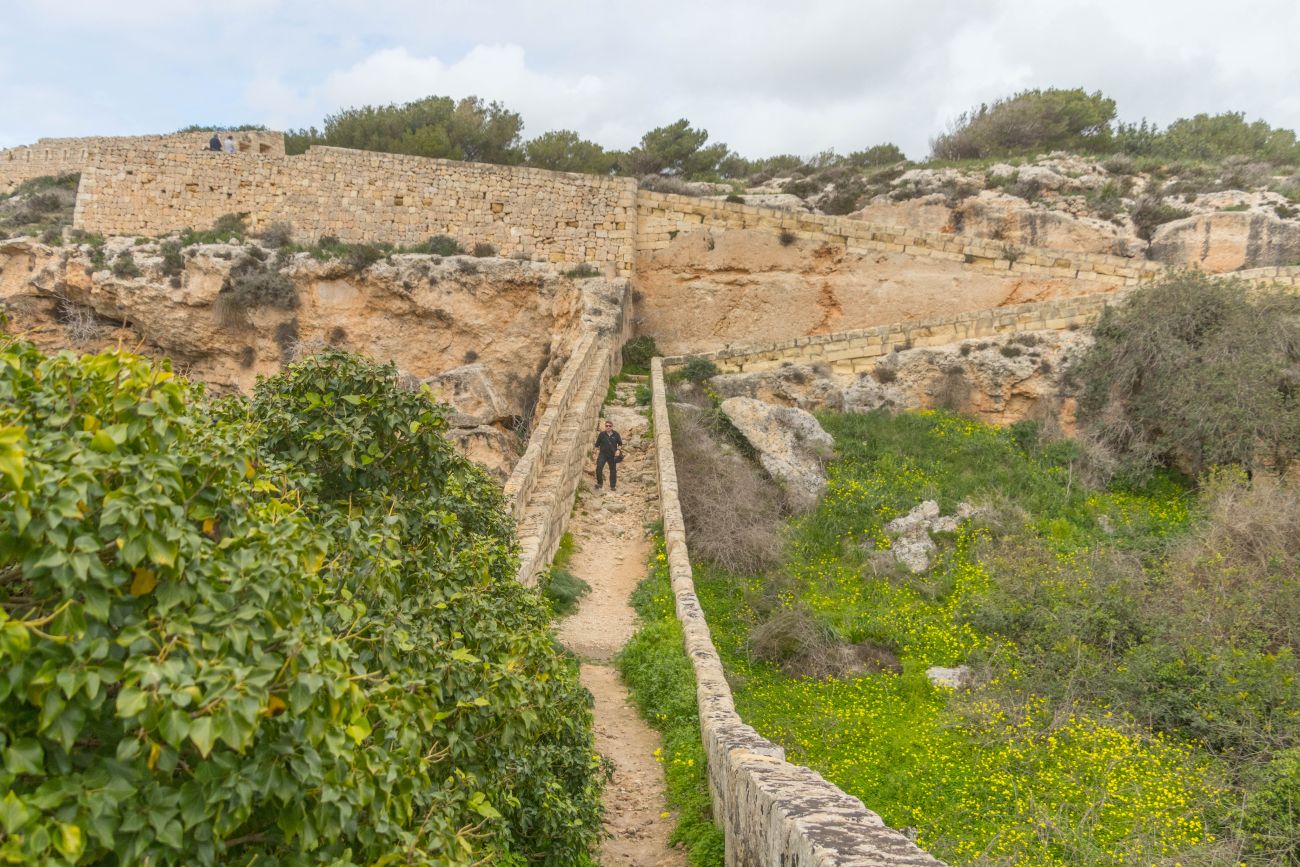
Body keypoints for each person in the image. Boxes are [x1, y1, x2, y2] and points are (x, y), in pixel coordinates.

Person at [593, 420, 623, 491]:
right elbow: (597, 445)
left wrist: (618, 450)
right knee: (599, 467)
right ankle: (600, 483)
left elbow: (620, 444)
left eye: (610, 426)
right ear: (605, 426)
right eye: (606, 426)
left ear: (612, 427)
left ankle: (613, 486)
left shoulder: (616, 434)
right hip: (602, 454)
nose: (608, 427)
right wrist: (594, 453)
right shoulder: (602, 434)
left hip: (612, 455)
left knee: (613, 470)